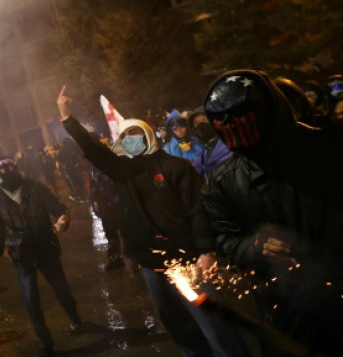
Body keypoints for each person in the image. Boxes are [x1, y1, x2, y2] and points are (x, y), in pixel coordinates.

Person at [57, 87, 249, 357]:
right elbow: (91, 148)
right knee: (178, 326)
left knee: (212, 325)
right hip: (151, 264)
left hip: (187, 260)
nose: (130, 140)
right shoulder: (123, 170)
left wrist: (206, 251)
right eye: (125, 136)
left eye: (134, 134)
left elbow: (198, 210)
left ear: (147, 135)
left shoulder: (176, 167)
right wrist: (67, 118)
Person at [201, 70, 343, 355]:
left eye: (241, 114)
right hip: (284, 313)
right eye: (222, 119)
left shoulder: (329, 150)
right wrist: (255, 247)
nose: (231, 124)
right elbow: (224, 239)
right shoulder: (222, 182)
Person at [0, 158, 81, 357]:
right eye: (2, 173)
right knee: (31, 300)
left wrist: (62, 220)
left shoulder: (36, 188)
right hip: (22, 254)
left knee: (61, 288)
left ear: (18, 172)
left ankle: (74, 317)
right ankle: (44, 341)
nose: (7, 175)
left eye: (10, 170)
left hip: (45, 247)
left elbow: (58, 209)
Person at [88, 136, 124, 271]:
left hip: (116, 202)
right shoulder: (92, 162)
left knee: (125, 231)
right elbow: (93, 184)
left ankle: (134, 259)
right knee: (110, 233)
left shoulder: (108, 158)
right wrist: (94, 200)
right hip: (104, 204)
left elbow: (113, 181)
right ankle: (115, 258)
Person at [188, 106, 232, 179]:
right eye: (197, 123)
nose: (201, 124)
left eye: (204, 119)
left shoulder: (229, 143)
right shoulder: (203, 155)